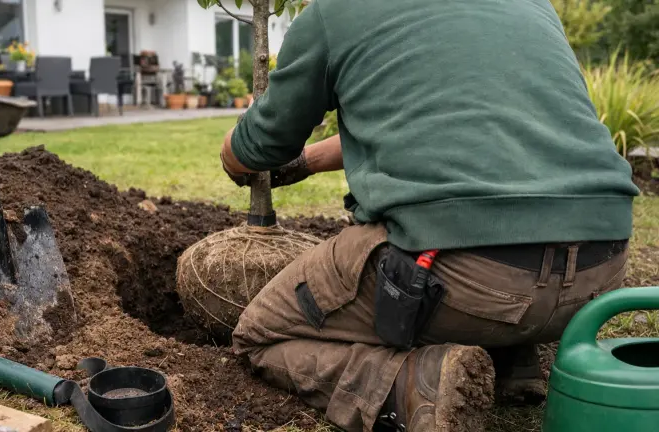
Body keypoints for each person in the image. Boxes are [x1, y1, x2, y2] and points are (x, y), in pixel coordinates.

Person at [217, 0, 639, 431]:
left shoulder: (335, 12)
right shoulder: (532, 5)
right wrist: (307, 163)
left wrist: (233, 153)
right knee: (498, 227)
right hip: (599, 272)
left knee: (262, 333)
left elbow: (264, 143)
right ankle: (513, 360)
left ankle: (412, 386)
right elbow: (439, 123)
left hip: (468, 280)